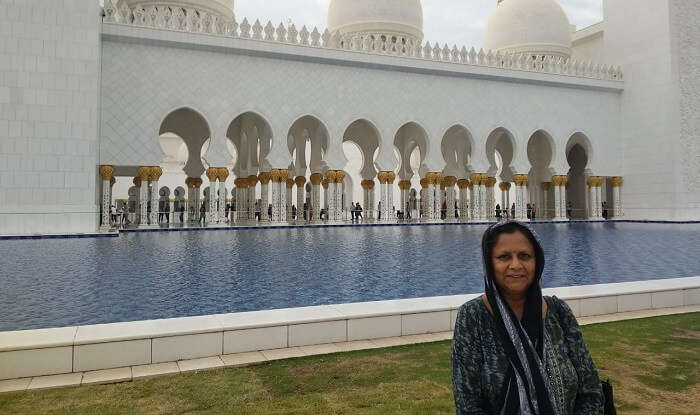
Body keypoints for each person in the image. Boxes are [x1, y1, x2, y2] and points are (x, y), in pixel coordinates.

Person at [452, 221, 604, 414]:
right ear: (490, 264)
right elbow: (468, 405)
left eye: (524, 256)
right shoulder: (473, 317)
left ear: (537, 262)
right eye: (504, 257)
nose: (515, 265)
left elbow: (591, 391)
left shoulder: (559, 312)